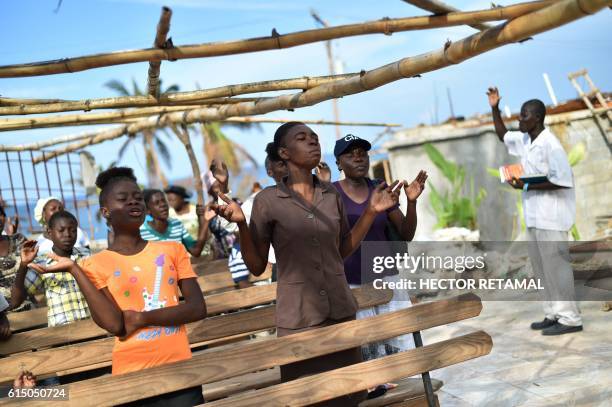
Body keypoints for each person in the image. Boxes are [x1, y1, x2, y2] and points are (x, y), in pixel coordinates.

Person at [212, 122, 401, 407]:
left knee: (350, 396)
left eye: (314, 137)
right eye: (302, 138)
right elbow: (256, 264)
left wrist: (371, 212)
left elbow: (342, 250)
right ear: (285, 153)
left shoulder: (330, 195)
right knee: (306, 399)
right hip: (298, 319)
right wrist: (241, 224)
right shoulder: (268, 201)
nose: (313, 142)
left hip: (340, 312)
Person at [30, 167, 206, 405]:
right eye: (123, 199)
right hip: (131, 376)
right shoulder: (94, 264)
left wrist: (140, 319)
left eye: (138, 197)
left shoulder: (172, 250)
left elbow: (197, 308)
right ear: (106, 212)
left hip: (181, 371)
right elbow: (115, 325)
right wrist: (74, 269)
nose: (134, 201)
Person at [487, 86, 582, 336]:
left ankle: (571, 318)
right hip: (534, 217)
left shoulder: (552, 145)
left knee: (557, 269)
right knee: (542, 269)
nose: (520, 119)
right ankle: (553, 313)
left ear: (537, 118)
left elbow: (561, 180)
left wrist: (525, 183)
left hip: (552, 218)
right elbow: (501, 134)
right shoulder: (527, 140)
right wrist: (494, 107)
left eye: (524, 116)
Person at [333, 134, 427, 360]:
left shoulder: (380, 188)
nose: (358, 158)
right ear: (339, 163)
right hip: (353, 282)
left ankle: (407, 392)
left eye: (362, 153)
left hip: (388, 279)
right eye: (350, 154)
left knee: (400, 347)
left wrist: (411, 202)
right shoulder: (330, 194)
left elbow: (406, 233)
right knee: (369, 352)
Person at [11, 211, 91, 327]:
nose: (68, 234)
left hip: (92, 326)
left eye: (73, 230)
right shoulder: (43, 264)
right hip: (62, 335)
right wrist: (24, 265)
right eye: (61, 230)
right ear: (50, 233)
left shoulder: (86, 257)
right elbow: (15, 301)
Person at [140, 189, 212, 258]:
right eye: (157, 203)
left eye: (163, 201)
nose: (163, 205)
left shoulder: (176, 225)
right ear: (147, 210)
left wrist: (205, 221)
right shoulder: (141, 231)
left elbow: (196, 251)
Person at [0, 205, 32, 312]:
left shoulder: (18, 239)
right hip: (3, 312)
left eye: (1, 214)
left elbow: (33, 272)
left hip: (27, 303)